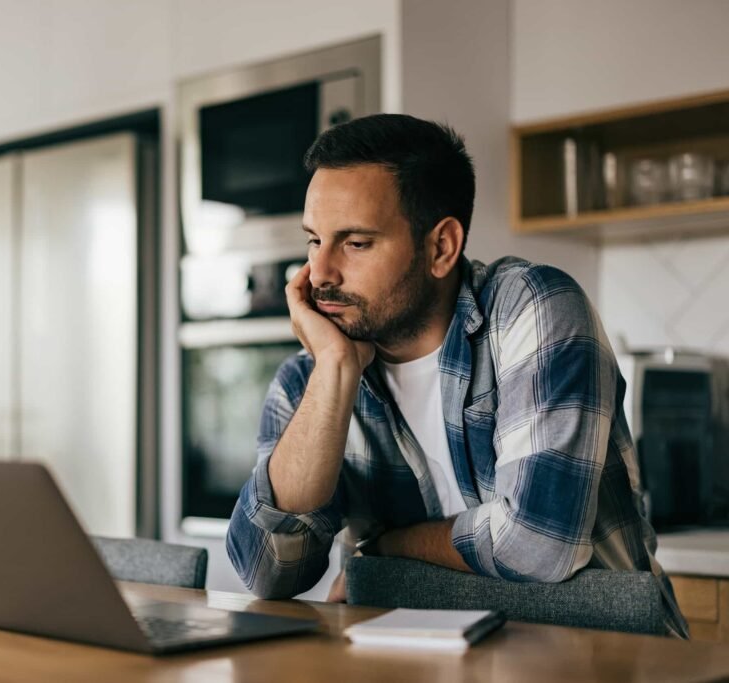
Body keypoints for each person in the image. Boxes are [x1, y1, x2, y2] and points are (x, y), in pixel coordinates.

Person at [224, 113, 688, 638]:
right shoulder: (311, 376)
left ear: (441, 247)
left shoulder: (532, 309)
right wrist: (333, 370)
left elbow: (538, 545)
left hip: (602, 659)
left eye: (355, 243)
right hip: (418, 663)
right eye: (314, 241)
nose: (321, 273)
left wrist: (384, 548)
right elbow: (266, 570)